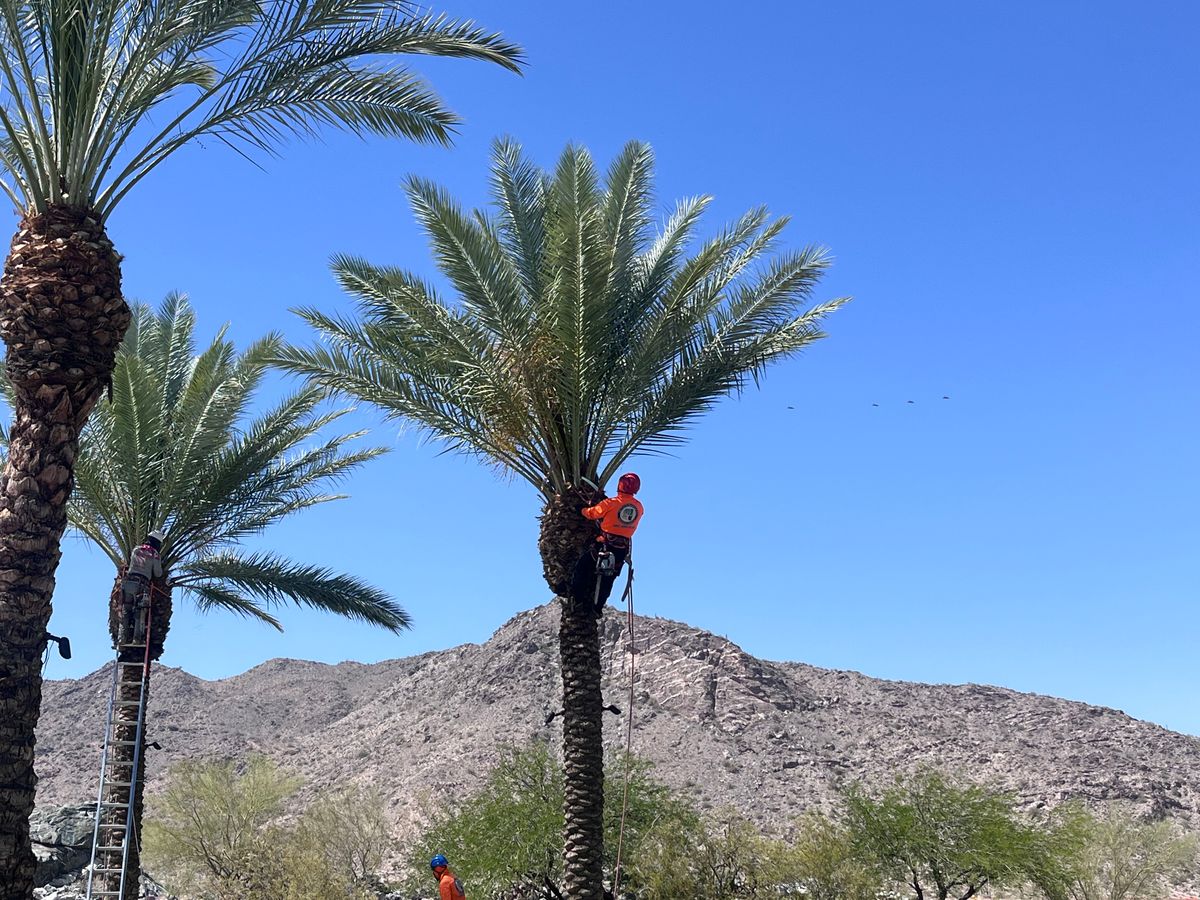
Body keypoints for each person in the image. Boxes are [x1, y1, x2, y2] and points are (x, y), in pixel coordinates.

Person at [571, 472, 644, 613]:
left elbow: (592, 514)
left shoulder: (610, 503)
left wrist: (581, 509)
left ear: (620, 485)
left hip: (603, 545)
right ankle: (598, 608)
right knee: (608, 579)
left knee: (583, 568)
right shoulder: (639, 507)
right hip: (621, 550)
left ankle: (578, 600)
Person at [120, 530, 164, 644]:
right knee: (140, 612)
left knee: (126, 610)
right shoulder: (155, 554)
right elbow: (158, 573)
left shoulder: (136, 549)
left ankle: (122, 639)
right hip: (142, 586)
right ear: (158, 543)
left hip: (128, 583)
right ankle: (136, 639)